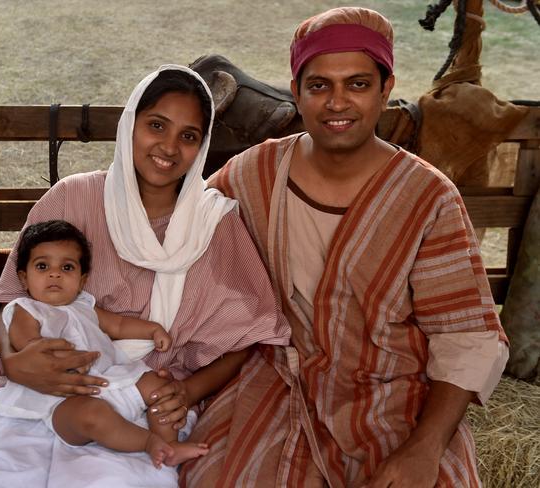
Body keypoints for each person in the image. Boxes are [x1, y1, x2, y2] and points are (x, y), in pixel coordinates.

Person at [181, 7, 508, 488]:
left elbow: (465, 337)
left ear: (385, 88)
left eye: (357, 84)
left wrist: (425, 447)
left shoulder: (427, 198)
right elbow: (173, 239)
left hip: (395, 397)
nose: (338, 102)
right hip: (276, 383)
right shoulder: (253, 175)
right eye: (319, 86)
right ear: (297, 92)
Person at [0, 65, 290, 488]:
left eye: (188, 136)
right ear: (129, 124)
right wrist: (15, 363)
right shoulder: (73, 197)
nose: (169, 147)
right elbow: (16, 303)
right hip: (38, 382)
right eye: (156, 125)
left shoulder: (215, 223)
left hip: (147, 399)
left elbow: (244, 339)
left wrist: (188, 393)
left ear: (203, 145)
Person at [0, 219, 209, 468]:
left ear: (82, 280)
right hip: (62, 397)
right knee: (92, 415)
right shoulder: (26, 309)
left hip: (111, 377)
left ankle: (168, 442)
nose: (55, 274)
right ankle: (149, 443)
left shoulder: (85, 305)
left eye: (67, 267)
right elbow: (27, 343)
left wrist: (153, 329)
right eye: (42, 266)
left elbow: (117, 326)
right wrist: (55, 360)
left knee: (161, 388)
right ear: (24, 278)